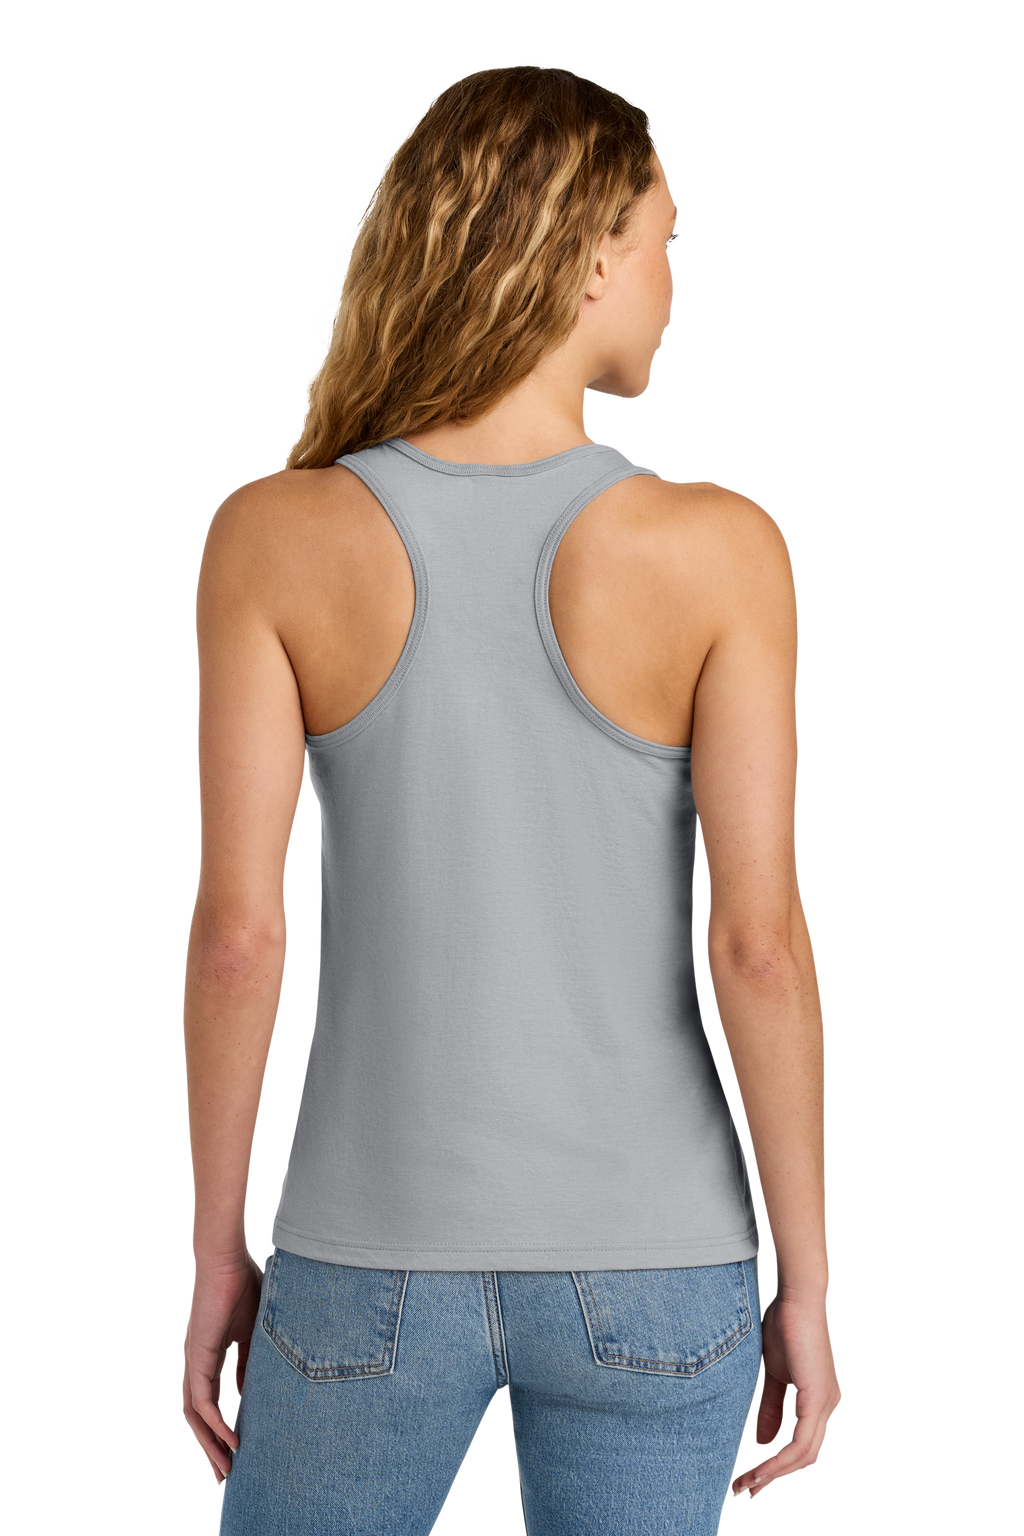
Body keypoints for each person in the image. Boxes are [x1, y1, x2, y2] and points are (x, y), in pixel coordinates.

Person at [180, 62, 842, 1535]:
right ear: (587, 251)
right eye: (664, 241)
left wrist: (219, 1249)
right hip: (659, 1261)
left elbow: (239, 936)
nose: (672, 279)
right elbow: (760, 945)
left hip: (365, 1259)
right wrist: (806, 1281)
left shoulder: (273, 534)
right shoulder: (721, 547)